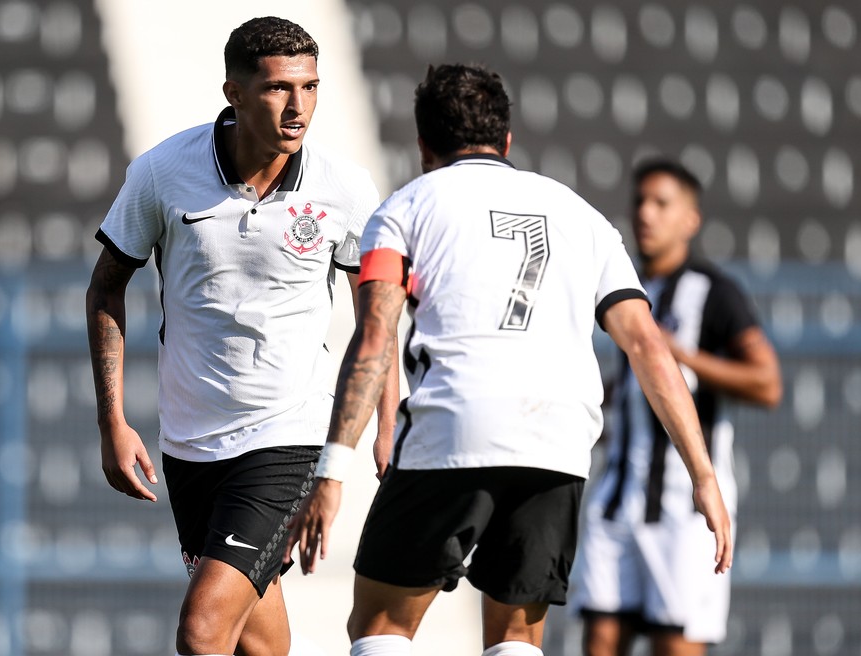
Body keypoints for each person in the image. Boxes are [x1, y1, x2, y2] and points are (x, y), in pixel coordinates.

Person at [283, 64, 733, 656]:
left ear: (424, 146)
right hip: (557, 441)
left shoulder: (402, 210)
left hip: (453, 426)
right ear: (507, 142)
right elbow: (649, 346)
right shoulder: (584, 217)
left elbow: (374, 337)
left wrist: (332, 470)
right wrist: (704, 476)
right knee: (517, 637)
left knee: (380, 626)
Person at [85, 17, 397, 656]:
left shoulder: (342, 187)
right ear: (234, 92)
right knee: (258, 642)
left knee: (202, 630)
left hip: (288, 436)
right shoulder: (163, 171)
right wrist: (111, 422)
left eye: (310, 87)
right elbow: (105, 288)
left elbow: (380, 315)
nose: (299, 107)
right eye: (280, 89)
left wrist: (387, 422)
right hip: (192, 442)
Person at [570, 159, 783, 656]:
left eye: (661, 203)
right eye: (640, 201)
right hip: (617, 499)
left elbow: (767, 382)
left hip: (682, 512)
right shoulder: (628, 290)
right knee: (600, 638)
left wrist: (676, 354)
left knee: (675, 645)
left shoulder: (714, 292)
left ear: (691, 219)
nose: (646, 214)